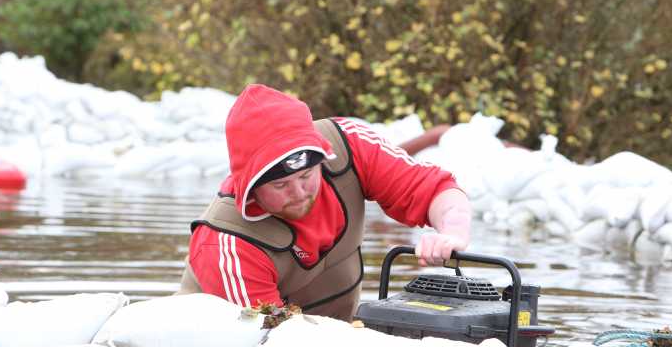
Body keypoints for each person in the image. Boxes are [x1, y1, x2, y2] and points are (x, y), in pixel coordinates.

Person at [178, 84, 471, 320]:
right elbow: (266, 340)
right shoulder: (225, 244)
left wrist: (452, 232)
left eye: (306, 175)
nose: (299, 192)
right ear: (250, 187)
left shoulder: (350, 147)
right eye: (280, 184)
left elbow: (435, 188)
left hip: (332, 333)